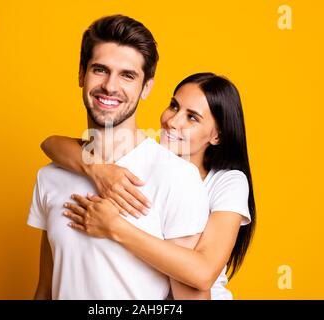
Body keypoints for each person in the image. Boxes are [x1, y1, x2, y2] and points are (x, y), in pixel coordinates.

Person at [27, 15, 211, 300]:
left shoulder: (177, 178)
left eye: (127, 75)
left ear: (147, 87)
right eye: (100, 70)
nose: (110, 87)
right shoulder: (50, 176)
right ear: (81, 74)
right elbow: (46, 288)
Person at [41, 72, 256, 300]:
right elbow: (52, 143)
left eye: (192, 117)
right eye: (174, 106)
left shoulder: (227, 182)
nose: (173, 121)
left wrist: (115, 227)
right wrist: (98, 169)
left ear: (217, 135)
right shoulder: (148, 162)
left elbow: (202, 273)